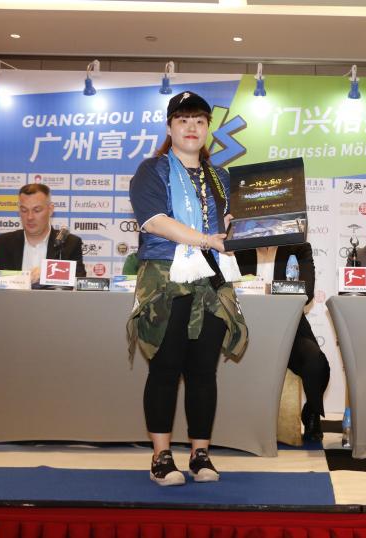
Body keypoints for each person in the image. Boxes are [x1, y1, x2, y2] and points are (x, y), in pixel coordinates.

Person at [127, 91, 248, 486]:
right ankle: (161, 456)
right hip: (166, 277)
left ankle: (200, 454)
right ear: (169, 127)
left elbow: (226, 225)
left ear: (208, 128)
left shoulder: (221, 177)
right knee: (165, 367)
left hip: (211, 279)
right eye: (183, 120)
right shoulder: (152, 170)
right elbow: (154, 220)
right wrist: (206, 239)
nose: (191, 127)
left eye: (199, 120)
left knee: (203, 370)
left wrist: (245, 227)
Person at [234, 242, 330, 441]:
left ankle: (311, 411)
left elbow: (306, 291)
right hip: (247, 325)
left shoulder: (298, 247)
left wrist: (262, 288)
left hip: (289, 324)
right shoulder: (240, 247)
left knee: (317, 364)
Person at [0, 183, 86, 283]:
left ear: (50, 210)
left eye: (37, 210)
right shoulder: (2, 243)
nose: (30, 217)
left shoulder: (68, 243)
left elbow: (80, 281)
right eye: (24, 210)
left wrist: (48, 274)